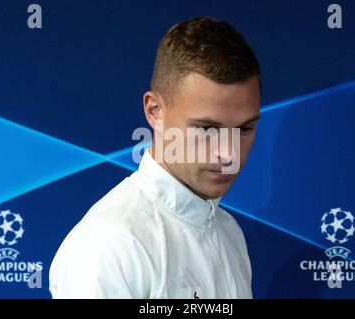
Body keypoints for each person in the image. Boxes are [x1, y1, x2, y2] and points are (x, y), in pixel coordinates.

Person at [49, 16, 261, 298]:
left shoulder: (229, 233)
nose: (229, 153)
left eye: (244, 128)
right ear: (154, 111)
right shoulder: (110, 245)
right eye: (207, 129)